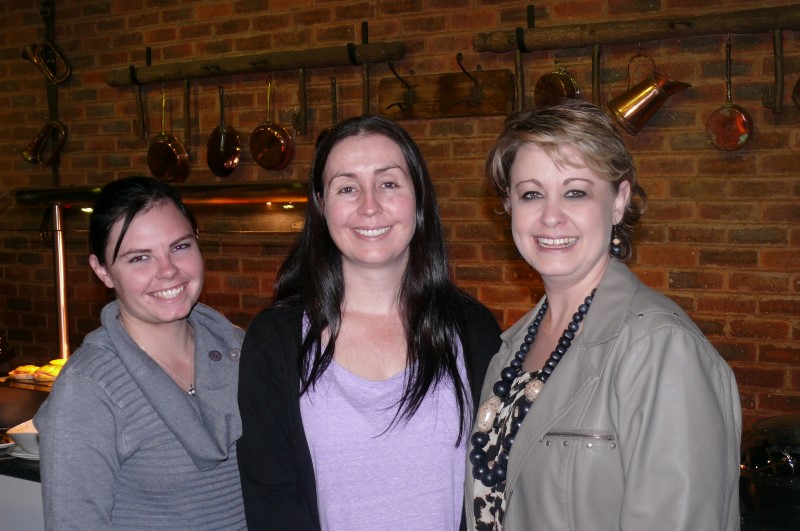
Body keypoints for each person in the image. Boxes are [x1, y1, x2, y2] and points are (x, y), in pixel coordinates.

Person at [466, 101, 741, 531]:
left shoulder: (659, 348)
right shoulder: (509, 348)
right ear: (510, 206)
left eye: (575, 192)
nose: (551, 216)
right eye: (531, 194)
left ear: (618, 202)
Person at [237, 115, 502, 530]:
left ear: (419, 198)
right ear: (322, 206)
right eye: (347, 188)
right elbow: (272, 501)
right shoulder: (275, 339)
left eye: (389, 183)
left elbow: (496, 484)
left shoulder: (473, 328)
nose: (369, 205)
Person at [34, 176, 246, 530]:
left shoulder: (239, 350)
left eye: (180, 247)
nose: (168, 271)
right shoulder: (87, 390)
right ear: (103, 271)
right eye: (139, 258)